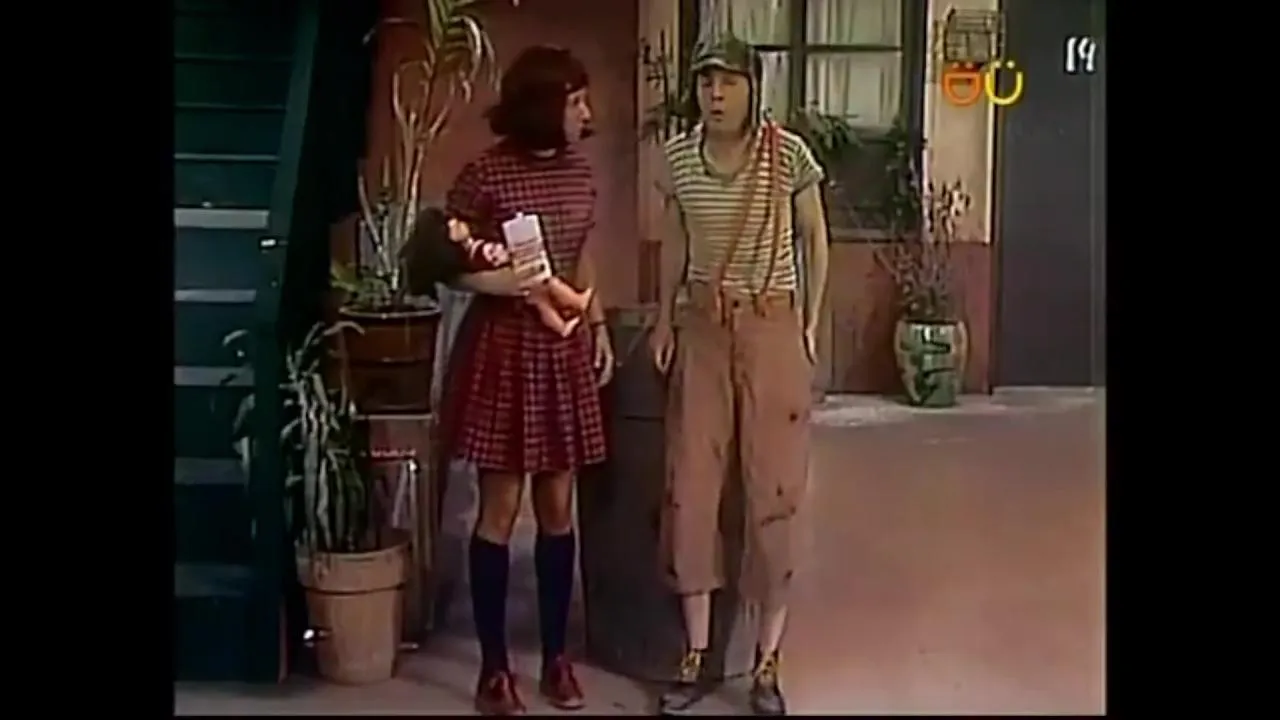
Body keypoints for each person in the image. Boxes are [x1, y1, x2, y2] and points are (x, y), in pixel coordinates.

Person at [648, 35, 830, 716]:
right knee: (692, 485)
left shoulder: (787, 157)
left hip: (770, 323)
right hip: (703, 328)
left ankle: (766, 662)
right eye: (706, 82)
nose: (716, 95)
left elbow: (815, 237)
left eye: (729, 82)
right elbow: (674, 243)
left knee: (773, 487)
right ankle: (695, 653)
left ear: (754, 87)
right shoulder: (679, 159)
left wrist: (808, 323)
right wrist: (665, 320)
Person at [437, 45, 614, 715]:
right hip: (505, 348)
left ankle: (556, 659)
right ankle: (493, 671)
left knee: (559, 505)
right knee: (501, 506)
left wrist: (595, 323)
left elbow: (581, 255)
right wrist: (500, 282)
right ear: (544, 106)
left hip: (561, 347)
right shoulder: (486, 173)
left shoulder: (579, 173)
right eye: (575, 101)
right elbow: (444, 262)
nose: (586, 113)